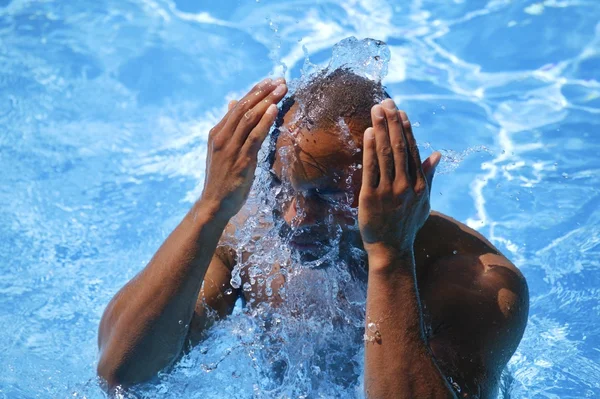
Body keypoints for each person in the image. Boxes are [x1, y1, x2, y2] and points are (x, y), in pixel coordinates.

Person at [97, 69, 529, 398]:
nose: (295, 217)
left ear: (392, 183)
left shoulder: (475, 285)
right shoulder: (248, 236)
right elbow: (123, 375)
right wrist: (209, 208)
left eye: (325, 193)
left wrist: (390, 255)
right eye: (282, 184)